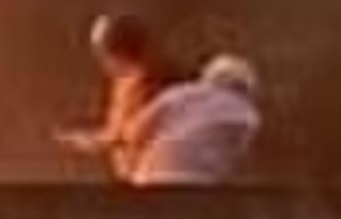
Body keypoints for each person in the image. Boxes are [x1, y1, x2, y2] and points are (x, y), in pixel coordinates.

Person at [58, 14, 193, 181]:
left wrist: (87, 141)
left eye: (103, 54)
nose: (102, 62)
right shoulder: (130, 78)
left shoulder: (146, 82)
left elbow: (126, 135)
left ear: (119, 53)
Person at [122, 54, 264, 186]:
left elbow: (134, 132)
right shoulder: (246, 114)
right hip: (199, 182)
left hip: (150, 178)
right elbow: (239, 162)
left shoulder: (177, 93)